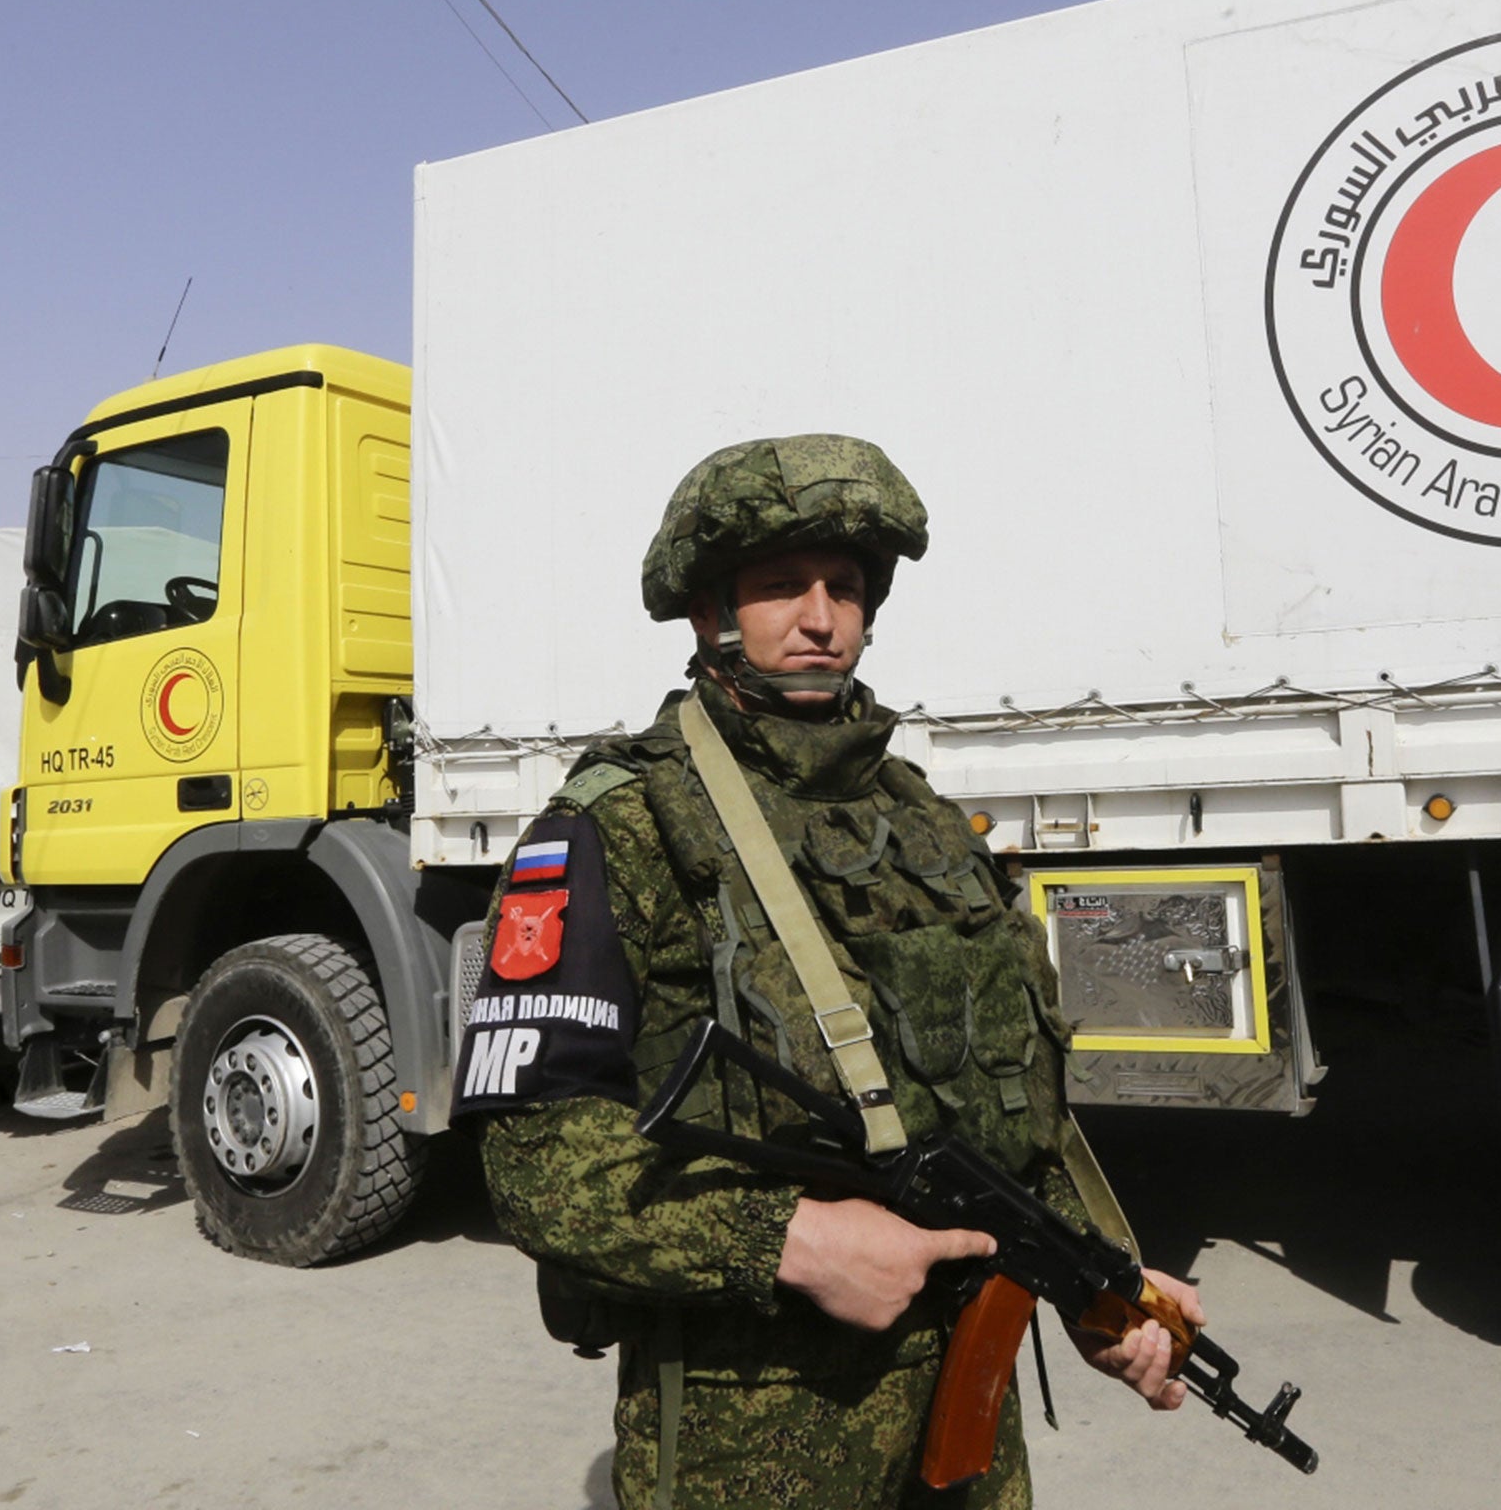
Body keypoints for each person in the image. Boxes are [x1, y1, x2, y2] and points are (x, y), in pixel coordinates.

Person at [453, 435, 1204, 1509]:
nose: (820, 618)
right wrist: (790, 1242)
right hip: (750, 1420)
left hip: (962, 1406)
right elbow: (539, 1167)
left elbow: (994, 1105)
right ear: (711, 612)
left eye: (844, 589)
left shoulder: (919, 820)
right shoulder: (619, 826)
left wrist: (1095, 1283)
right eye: (778, 588)